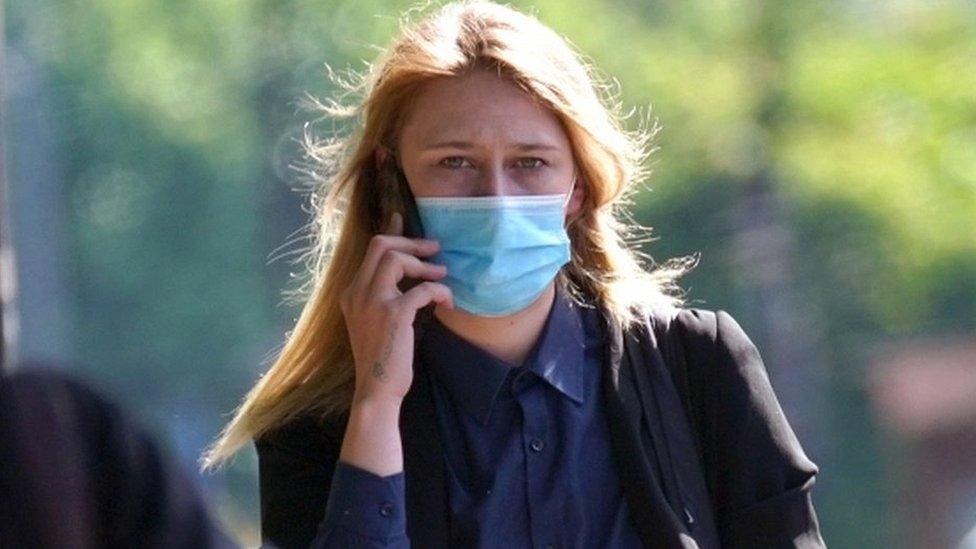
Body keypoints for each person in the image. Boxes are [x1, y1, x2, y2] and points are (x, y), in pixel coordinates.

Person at [199, 1, 826, 548]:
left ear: (578, 186)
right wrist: (376, 407)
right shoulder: (318, 427)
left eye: (530, 162)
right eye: (454, 163)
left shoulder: (697, 368)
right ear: (395, 179)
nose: (495, 197)